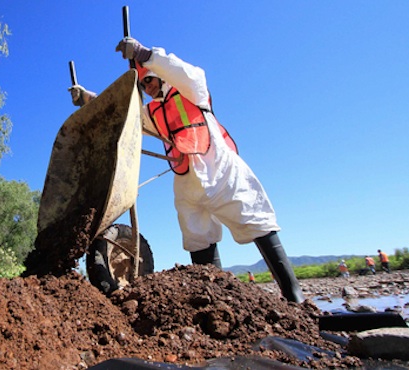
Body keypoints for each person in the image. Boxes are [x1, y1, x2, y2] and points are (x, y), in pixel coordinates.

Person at [69, 38, 305, 303]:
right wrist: (88, 99)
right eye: (143, 83)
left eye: (150, 80)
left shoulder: (192, 90)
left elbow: (184, 71)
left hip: (223, 173)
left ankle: (293, 297)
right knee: (197, 238)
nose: (147, 87)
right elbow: (120, 111)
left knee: (256, 222)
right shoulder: (151, 113)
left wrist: (145, 54)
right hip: (187, 182)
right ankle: (216, 302)